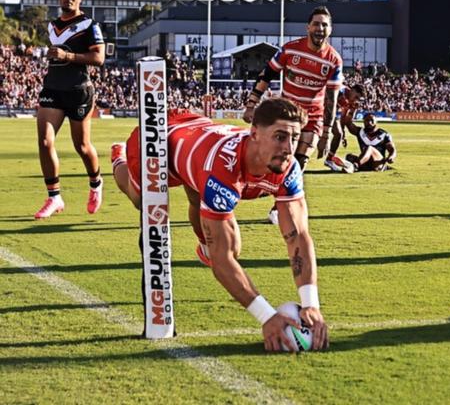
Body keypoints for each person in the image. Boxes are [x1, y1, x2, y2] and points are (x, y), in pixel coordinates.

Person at [110, 99, 329, 352]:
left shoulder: (288, 168)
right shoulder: (223, 170)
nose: (289, 148)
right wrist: (266, 316)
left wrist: (311, 303)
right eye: (280, 137)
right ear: (255, 133)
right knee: (143, 201)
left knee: (208, 210)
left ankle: (204, 242)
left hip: (195, 134)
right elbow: (222, 261)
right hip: (159, 139)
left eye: (294, 138)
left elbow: (298, 236)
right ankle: (119, 159)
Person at [242, 6, 343, 223]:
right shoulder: (290, 50)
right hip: (287, 115)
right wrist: (252, 103)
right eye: (316, 23)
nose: (320, 28)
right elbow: (267, 73)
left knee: (299, 161)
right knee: (278, 159)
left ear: (330, 30)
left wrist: (326, 132)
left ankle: (278, 208)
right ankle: (263, 187)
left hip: (313, 118)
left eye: (324, 25)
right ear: (308, 27)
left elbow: (331, 99)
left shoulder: (334, 60)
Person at [34, 0, 106, 219]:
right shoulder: (52, 26)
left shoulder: (89, 25)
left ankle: (96, 184)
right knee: (45, 142)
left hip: (78, 91)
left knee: (82, 146)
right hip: (52, 88)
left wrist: (68, 55)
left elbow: (99, 59)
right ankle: (54, 197)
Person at [323, 84, 365, 173]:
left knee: (338, 134)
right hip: (319, 109)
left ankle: (329, 159)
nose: (355, 99)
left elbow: (344, 118)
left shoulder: (348, 100)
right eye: (356, 96)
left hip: (326, 113)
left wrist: (343, 134)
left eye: (358, 99)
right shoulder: (340, 91)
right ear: (352, 90)